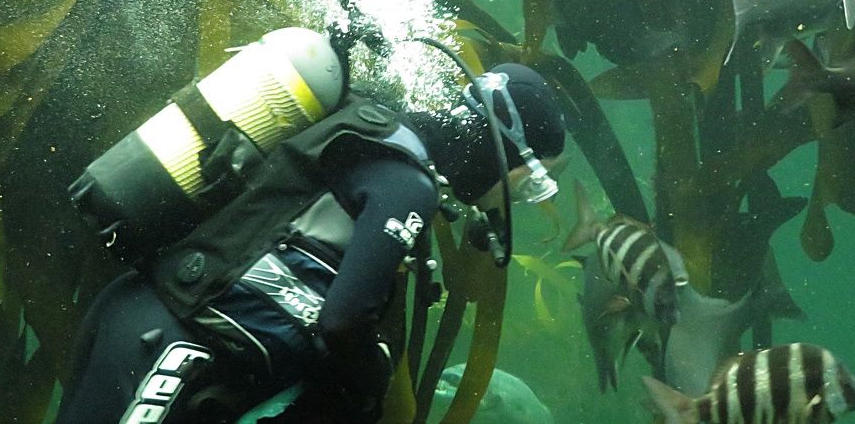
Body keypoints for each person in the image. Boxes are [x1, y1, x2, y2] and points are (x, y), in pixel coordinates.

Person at [57, 60, 566, 424]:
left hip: (133, 315)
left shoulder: (369, 130)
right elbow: (343, 321)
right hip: (174, 346)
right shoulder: (408, 184)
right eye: (527, 182)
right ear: (502, 152)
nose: (513, 202)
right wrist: (367, 384)